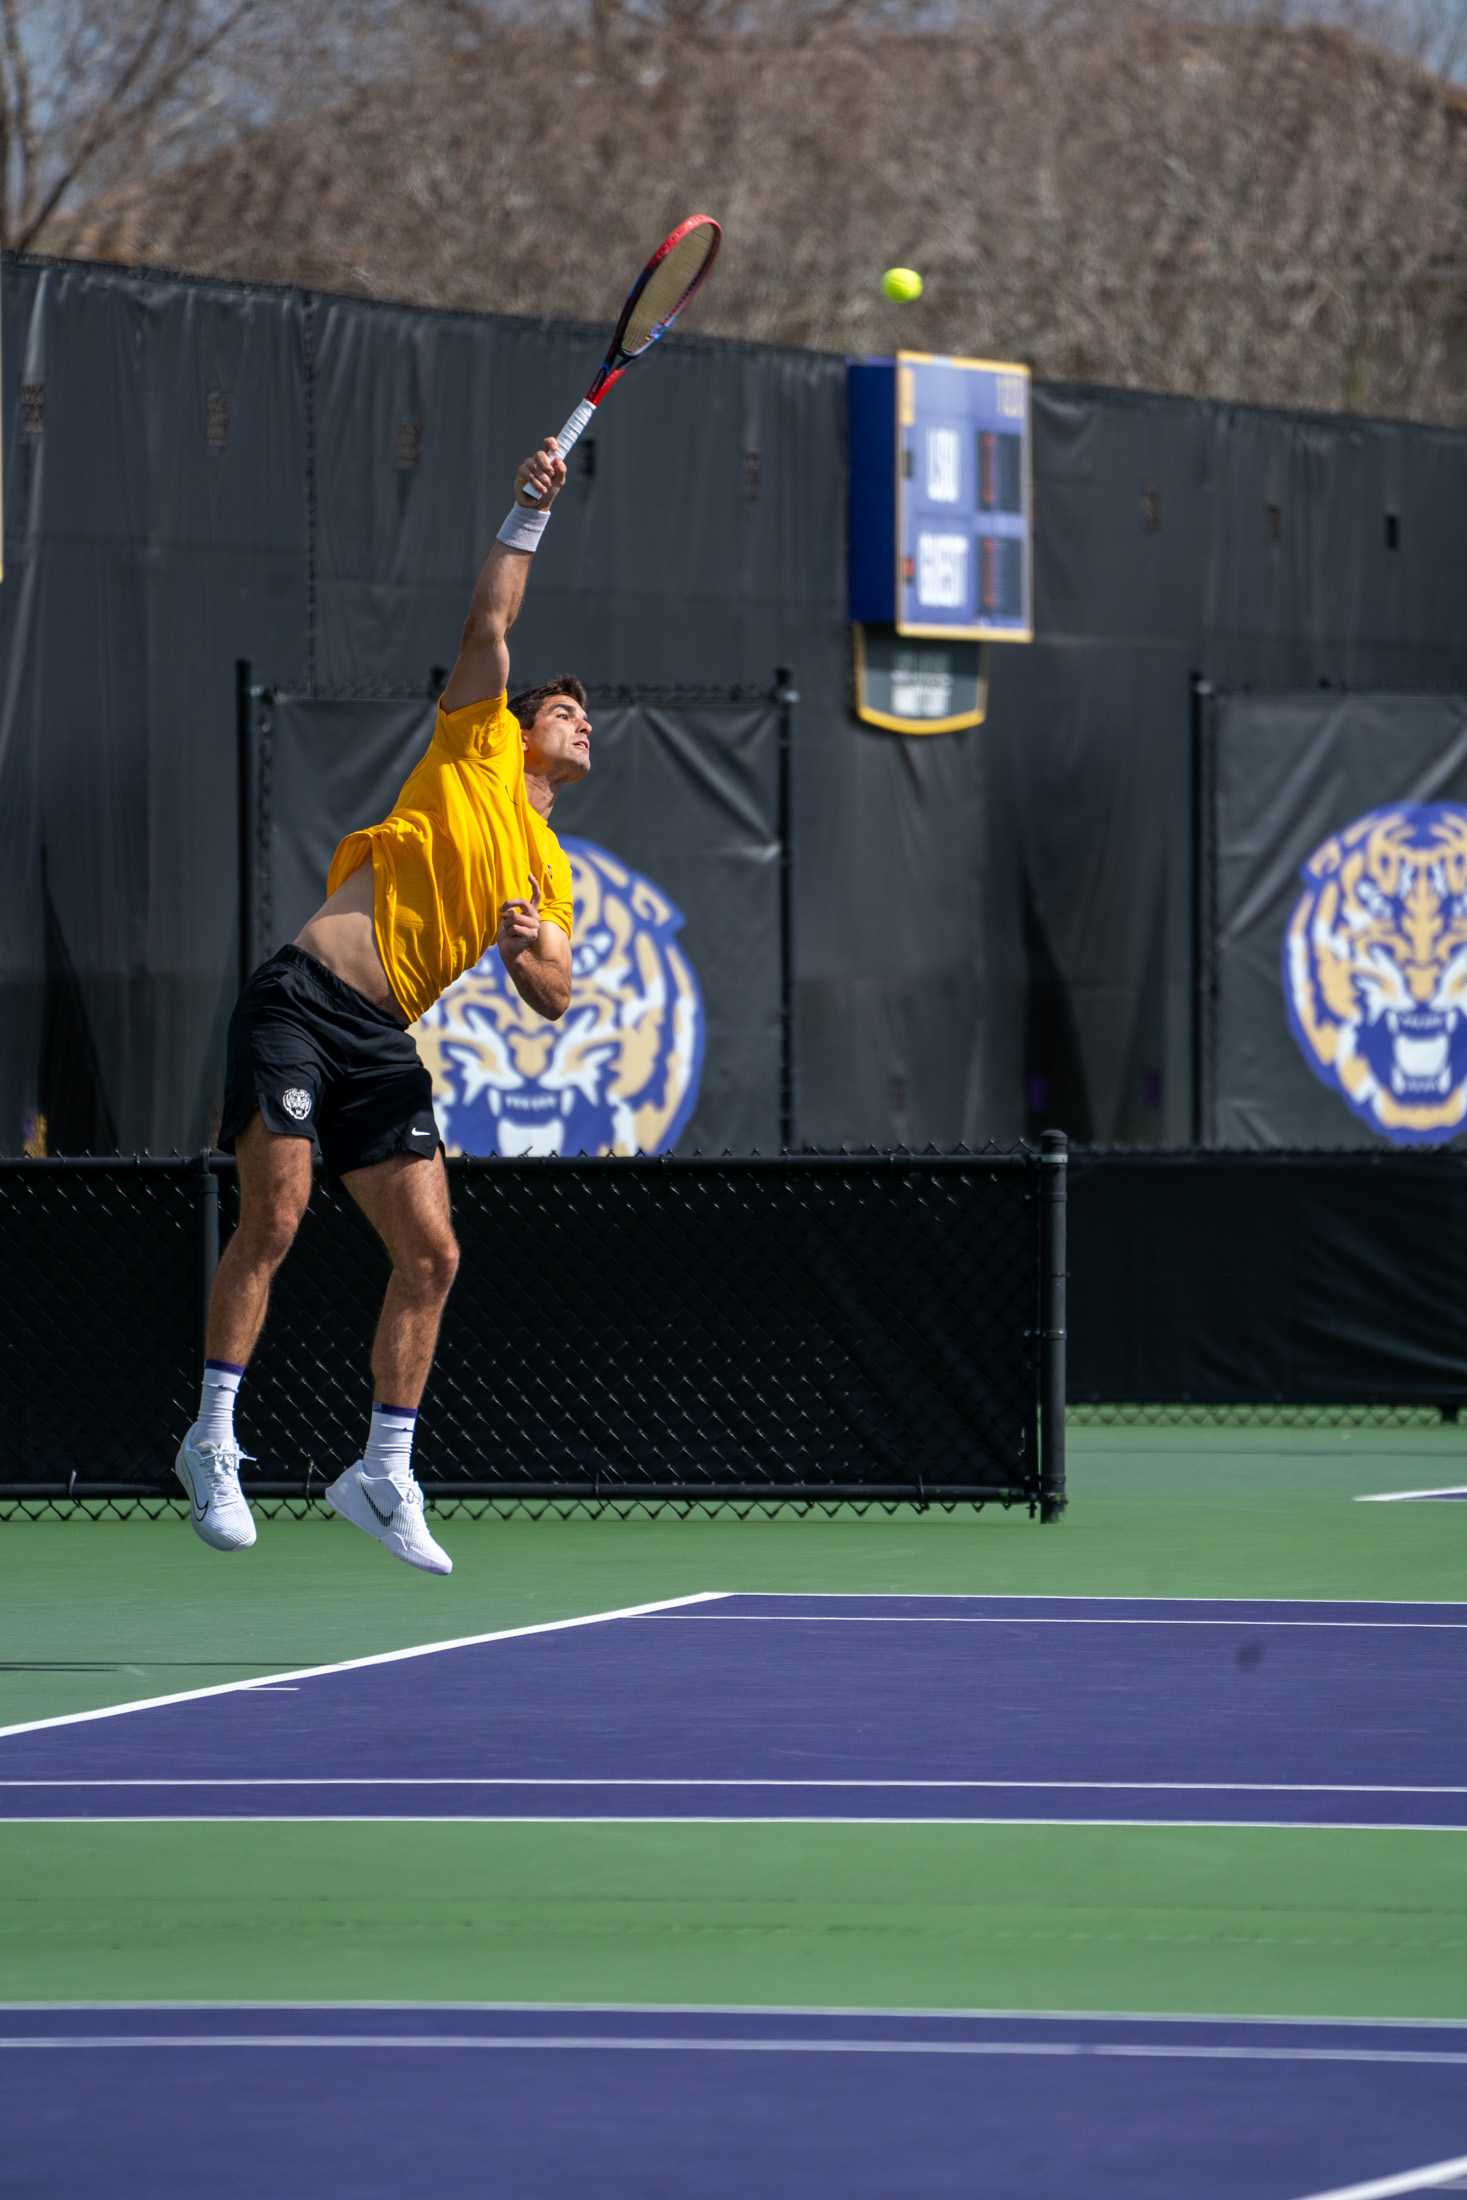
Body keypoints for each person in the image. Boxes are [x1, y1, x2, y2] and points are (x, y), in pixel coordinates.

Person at [174, 436, 590, 1574]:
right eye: (564, 706)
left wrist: (523, 954)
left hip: (380, 1040)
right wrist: (526, 511)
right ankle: (213, 1439)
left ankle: (382, 1470)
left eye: (585, 715)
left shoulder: (550, 870)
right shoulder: (476, 746)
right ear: (519, 722)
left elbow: (555, 992)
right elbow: (490, 627)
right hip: (303, 999)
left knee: (435, 1254)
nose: (579, 717)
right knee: (279, 1216)